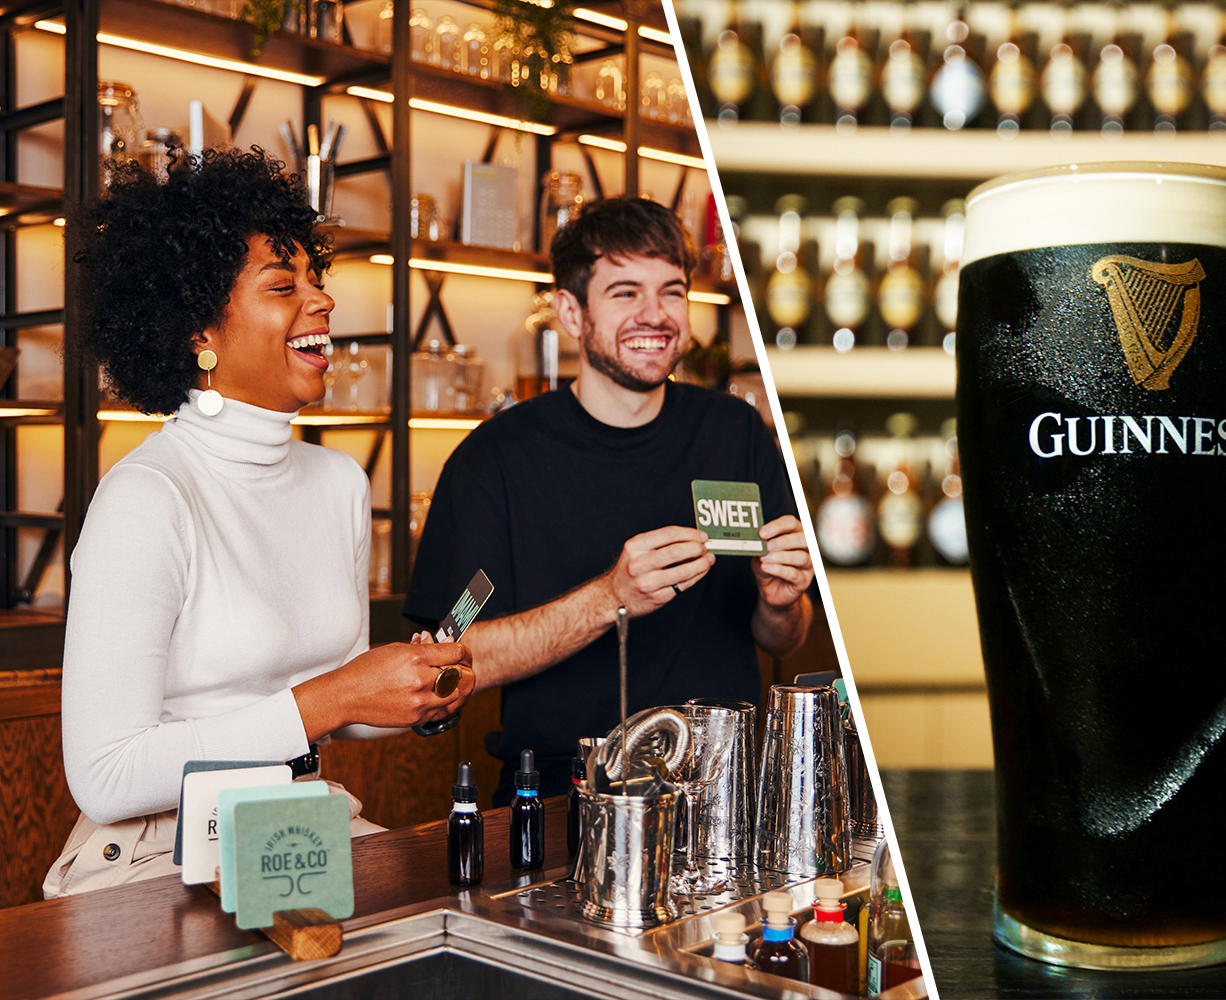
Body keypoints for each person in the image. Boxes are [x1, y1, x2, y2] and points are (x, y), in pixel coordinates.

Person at [47, 146, 475, 897]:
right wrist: (335, 699)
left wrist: (411, 691)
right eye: (284, 286)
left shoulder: (339, 482)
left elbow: (330, 706)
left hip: (298, 824)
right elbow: (105, 775)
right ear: (197, 332)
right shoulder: (147, 497)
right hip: (160, 851)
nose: (321, 302)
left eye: (317, 281)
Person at [405, 197, 815, 804]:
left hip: (724, 793)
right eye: (625, 293)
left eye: (672, 291)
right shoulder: (493, 461)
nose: (655, 315)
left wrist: (783, 603)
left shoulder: (737, 433)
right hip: (555, 800)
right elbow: (452, 659)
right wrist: (610, 598)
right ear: (571, 312)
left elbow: (784, 637)